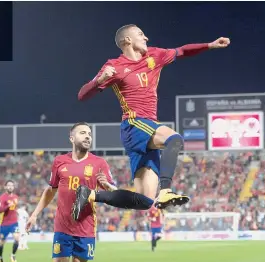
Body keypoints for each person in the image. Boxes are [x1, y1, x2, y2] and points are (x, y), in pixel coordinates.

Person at [78, 24, 230, 210]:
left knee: (145, 200)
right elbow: (82, 95)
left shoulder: (154, 55)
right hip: (134, 124)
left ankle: (92, 195)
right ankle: (166, 190)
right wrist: (99, 81)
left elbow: (182, 51)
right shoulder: (114, 66)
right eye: (141, 34)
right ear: (127, 40)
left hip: (147, 129)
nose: (146, 38)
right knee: (174, 140)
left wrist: (209, 45)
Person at [25, 122, 155, 262]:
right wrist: (35, 214)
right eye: (83, 133)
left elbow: (114, 192)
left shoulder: (99, 163)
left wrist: (107, 185)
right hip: (63, 225)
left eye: (89, 134)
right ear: (72, 138)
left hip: (86, 227)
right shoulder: (60, 161)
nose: (87, 136)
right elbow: (50, 190)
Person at [0, 180, 20, 262]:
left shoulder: (16, 197)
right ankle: (0, 257)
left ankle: (13, 255)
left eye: (12, 185)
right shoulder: (2, 198)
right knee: (2, 241)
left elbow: (14, 208)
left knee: (17, 239)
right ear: (5, 187)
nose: (10, 187)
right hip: (5, 224)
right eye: (8, 185)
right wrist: (7, 206)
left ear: (14, 187)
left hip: (14, 222)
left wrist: (16, 211)